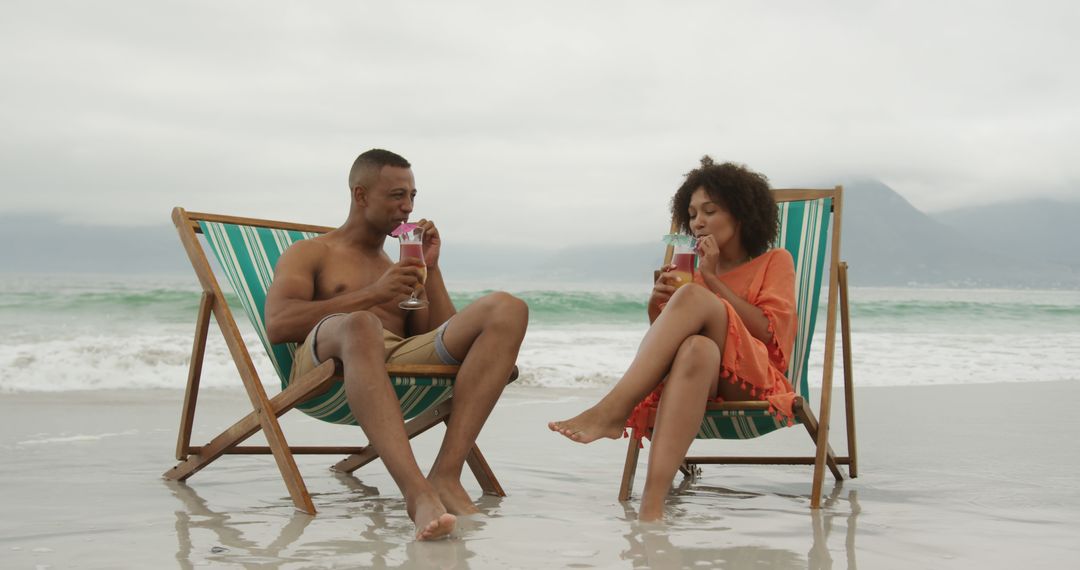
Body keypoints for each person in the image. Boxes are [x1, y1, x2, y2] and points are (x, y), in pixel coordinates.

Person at [265, 149, 528, 540]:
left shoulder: (400, 267)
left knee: (508, 309)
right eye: (396, 195)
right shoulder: (312, 252)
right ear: (361, 195)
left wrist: (431, 268)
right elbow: (279, 324)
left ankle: (446, 474)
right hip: (326, 369)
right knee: (362, 325)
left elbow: (445, 337)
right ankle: (416, 492)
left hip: (392, 369)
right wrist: (370, 295)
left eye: (412, 197)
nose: (407, 208)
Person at [548, 157, 797, 522]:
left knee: (695, 299)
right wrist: (656, 307)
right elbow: (668, 349)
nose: (697, 221)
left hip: (756, 381)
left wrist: (711, 280)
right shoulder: (686, 273)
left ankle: (614, 409)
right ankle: (651, 506)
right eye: (692, 213)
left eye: (710, 211)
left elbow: (769, 335)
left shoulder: (775, 261)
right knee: (697, 348)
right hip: (701, 377)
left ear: (741, 215)